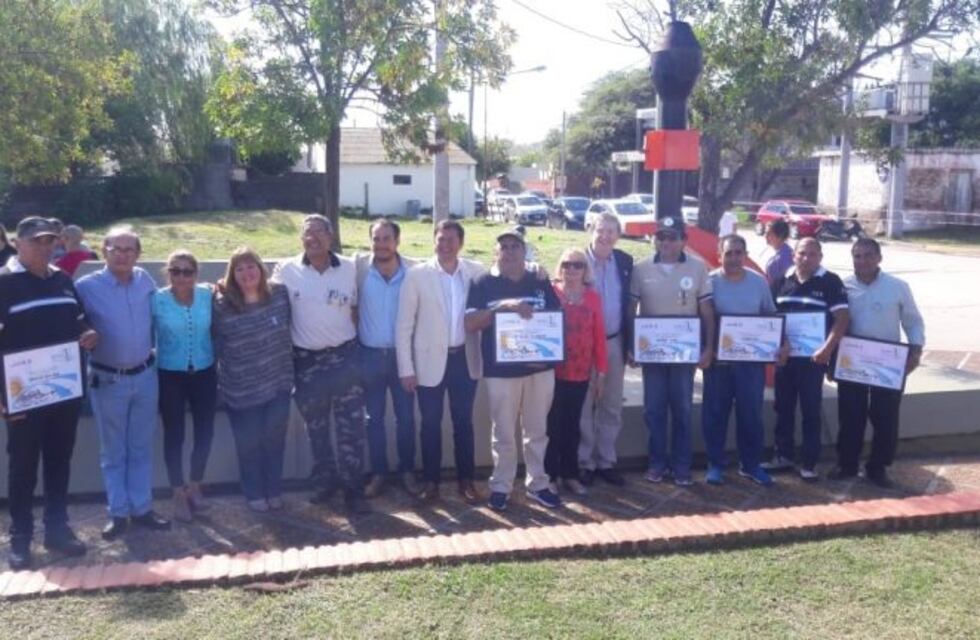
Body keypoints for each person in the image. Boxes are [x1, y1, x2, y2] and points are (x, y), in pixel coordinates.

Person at [0, 217, 99, 570]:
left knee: (59, 461)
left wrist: (87, 333)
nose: (46, 246)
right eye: (37, 240)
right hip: (22, 395)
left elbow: (78, 320)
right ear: (18, 243)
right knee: (23, 466)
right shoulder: (4, 283)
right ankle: (21, 539)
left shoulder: (61, 279)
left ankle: (57, 529)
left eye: (50, 241)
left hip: (64, 390)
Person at [76, 226, 171, 539]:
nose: (123, 254)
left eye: (129, 249)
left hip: (145, 376)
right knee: (113, 451)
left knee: (141, 447)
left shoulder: (145, 280)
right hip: (108, 379)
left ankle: (142, 508)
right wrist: (84, 332)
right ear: (104, 250)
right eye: (116, 248)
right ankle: (118, 513)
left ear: (138, 254)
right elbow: (73, 321)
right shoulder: (86, 287)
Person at [272, 214, 368, 514]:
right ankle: (325, 484)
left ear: (330, 236)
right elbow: (260, 297)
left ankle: (354, 490)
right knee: (317, 428)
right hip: (306, 361)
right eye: (306, 233)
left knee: (351, 428)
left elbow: (357, 307)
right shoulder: (286, 270)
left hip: (345, 359)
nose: (312, 238)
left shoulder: (351, 268)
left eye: (318, 232)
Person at [465, 227, 563, 512]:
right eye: (504, 247)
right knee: (504, 432)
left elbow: (554, 320)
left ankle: (538, 484)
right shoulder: (482, 282)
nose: (509, 251)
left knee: (537, 431)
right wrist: (502, 308)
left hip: (538, 369)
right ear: (496, 252)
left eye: (514, 246)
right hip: (500, 372)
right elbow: (470, 324)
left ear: (524, 250)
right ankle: (501, 486)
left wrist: (545, 356)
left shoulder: (540, 280)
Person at [396, 220, 485, 503]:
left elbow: (505, 278)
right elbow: (404, 326)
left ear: (461, 243)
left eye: (450, 240)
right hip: (428, 364)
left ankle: (466, 482)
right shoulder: (416, 275)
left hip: (465, 360)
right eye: (440, 239)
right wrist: (406, 369)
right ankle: (431, 483)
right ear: (433, 241)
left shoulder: (476, 272)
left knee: (464, 424)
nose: (444, 245)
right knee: (430, 425)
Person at [628, 216, 714, 486]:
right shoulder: (640, 268)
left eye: (672, 237)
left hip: (683, 356)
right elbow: (631, 311)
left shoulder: (699, 268)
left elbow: (707, 312)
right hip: (652, 354)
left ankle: (681, 467)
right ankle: (656, 464)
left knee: (682, 409)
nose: (665, 242)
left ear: (684, 240)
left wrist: (708, 348)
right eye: (661, 237)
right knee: (653, 411)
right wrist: (632, 346)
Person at [833, 238, 925, 487]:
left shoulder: (897, 287)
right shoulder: (842, 286)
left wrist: (915, 351)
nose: (862, 261)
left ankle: (878, 467)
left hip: (888, 363)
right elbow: (833, 323)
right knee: (851, 414)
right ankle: (847, 463)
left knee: (885, 417)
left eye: (868, 255)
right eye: (857, 256)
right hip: (853, 361)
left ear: (879, 258)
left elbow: (913, 321)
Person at [213, 247, 294, 511]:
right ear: (231, 275)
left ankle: (273, 490)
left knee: (274, 441)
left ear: (261, 269)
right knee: (248, 445)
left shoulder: (280, 295)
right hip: (240, 390)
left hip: (278, 384)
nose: (247, 273)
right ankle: (253, 493)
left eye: (251, 266)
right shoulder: (221, 305)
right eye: (239, 269)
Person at [702, 235, 787, 486]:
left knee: (751, 415)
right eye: (729, 253)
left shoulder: (758, 282)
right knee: (715, 414)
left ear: (745, 254)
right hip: (719, 363)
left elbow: (770, 315)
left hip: (751, 364)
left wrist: (781, 341)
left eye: (739, 253)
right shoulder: (709, 281)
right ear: (720, 255)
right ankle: (715, 464)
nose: (734, 258)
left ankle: (750, 465)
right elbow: (702, 318)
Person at [763, 237, 849, 480]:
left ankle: (809, 462)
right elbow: (771, 319)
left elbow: (842, 318)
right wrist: (780, 344)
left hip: (813, 359)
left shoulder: (830, 281)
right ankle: (783, 456)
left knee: (811, 410)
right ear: (794, 255)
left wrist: (827, 349)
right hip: (786, 359)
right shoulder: (780, 282)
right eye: (802, 253)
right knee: (784, 408)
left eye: (812, 254)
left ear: (820, 257)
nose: (806, 258)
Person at [152, 250, 217, 522]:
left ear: (196, 274)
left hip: (204, 372)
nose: (181, 277)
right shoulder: (157, 300)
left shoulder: (207, 295)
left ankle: (195, 486)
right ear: (168, 273)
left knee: (205, 433)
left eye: (187, 271)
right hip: (170, 374)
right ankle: (177, 493)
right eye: (175, 271)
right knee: (174, 435)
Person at [354, 219, 417, 498]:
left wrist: (535, 269)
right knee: (373, 419)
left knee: (405, 418)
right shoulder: (358, 269)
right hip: (369, 356)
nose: (381, 244)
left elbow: (466, 267)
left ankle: (407, 472)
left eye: (387, 238)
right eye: (376, 239)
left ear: (397, 241)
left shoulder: (414, 271)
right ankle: (379, 472)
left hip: (403, 358)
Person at [544, 248, 607, 496]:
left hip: (580, 373)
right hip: (553, 372)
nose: (572, 269)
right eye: (567, 264)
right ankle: (550, 476)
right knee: (552, 426)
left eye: (578, 265)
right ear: (560, 268)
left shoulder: (593, 298)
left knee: (572, 426)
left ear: (585, 270)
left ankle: (570, 474)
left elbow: (599, 338)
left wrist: (601, 373)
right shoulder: (550, 292)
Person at [579, 212, 633, 487]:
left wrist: (632, 344)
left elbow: (630, 305)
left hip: (614, 341)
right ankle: (584, 462)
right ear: (591, 229)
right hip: (583, 346)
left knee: (611, 404)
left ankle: (606, 461)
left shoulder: (625, 262)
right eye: (601, 230)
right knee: (585, 405)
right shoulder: (577, 261)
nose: (605, 236)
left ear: (618, 235)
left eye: (612, 231)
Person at [763, 220, 793, 286]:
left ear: (780, 236)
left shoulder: (785, 257)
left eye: (769, 234)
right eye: (765, 233)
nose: (765, 236)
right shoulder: (781, 251)